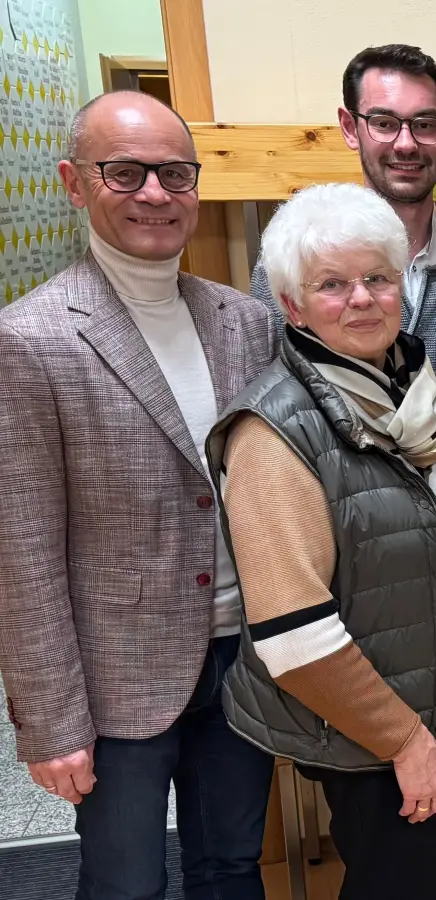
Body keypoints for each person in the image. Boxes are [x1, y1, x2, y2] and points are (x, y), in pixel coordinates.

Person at [210, 182, 436, 899]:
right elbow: (294, 634)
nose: (361, 298)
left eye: (377, 278)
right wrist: (405, 741)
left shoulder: (419, 396)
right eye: (332, 284)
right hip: (370, 731)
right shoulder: (273, 432)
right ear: (291, 306)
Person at [0, 90, 278, 899]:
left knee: (231, 868)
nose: (155, 193)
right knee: (125, 884)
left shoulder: (242, 320)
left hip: (241, 661)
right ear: (75, 182)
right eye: (126, 172)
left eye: (174, 173)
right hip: (116, 683)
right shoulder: (29, 338)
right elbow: (22, 550)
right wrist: (50, 723)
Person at [249, 44, 436, 391]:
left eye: (424, 124)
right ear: (350, 127)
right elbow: (271, 399)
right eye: (384, 123)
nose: (406, 143)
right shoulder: (294, 263)